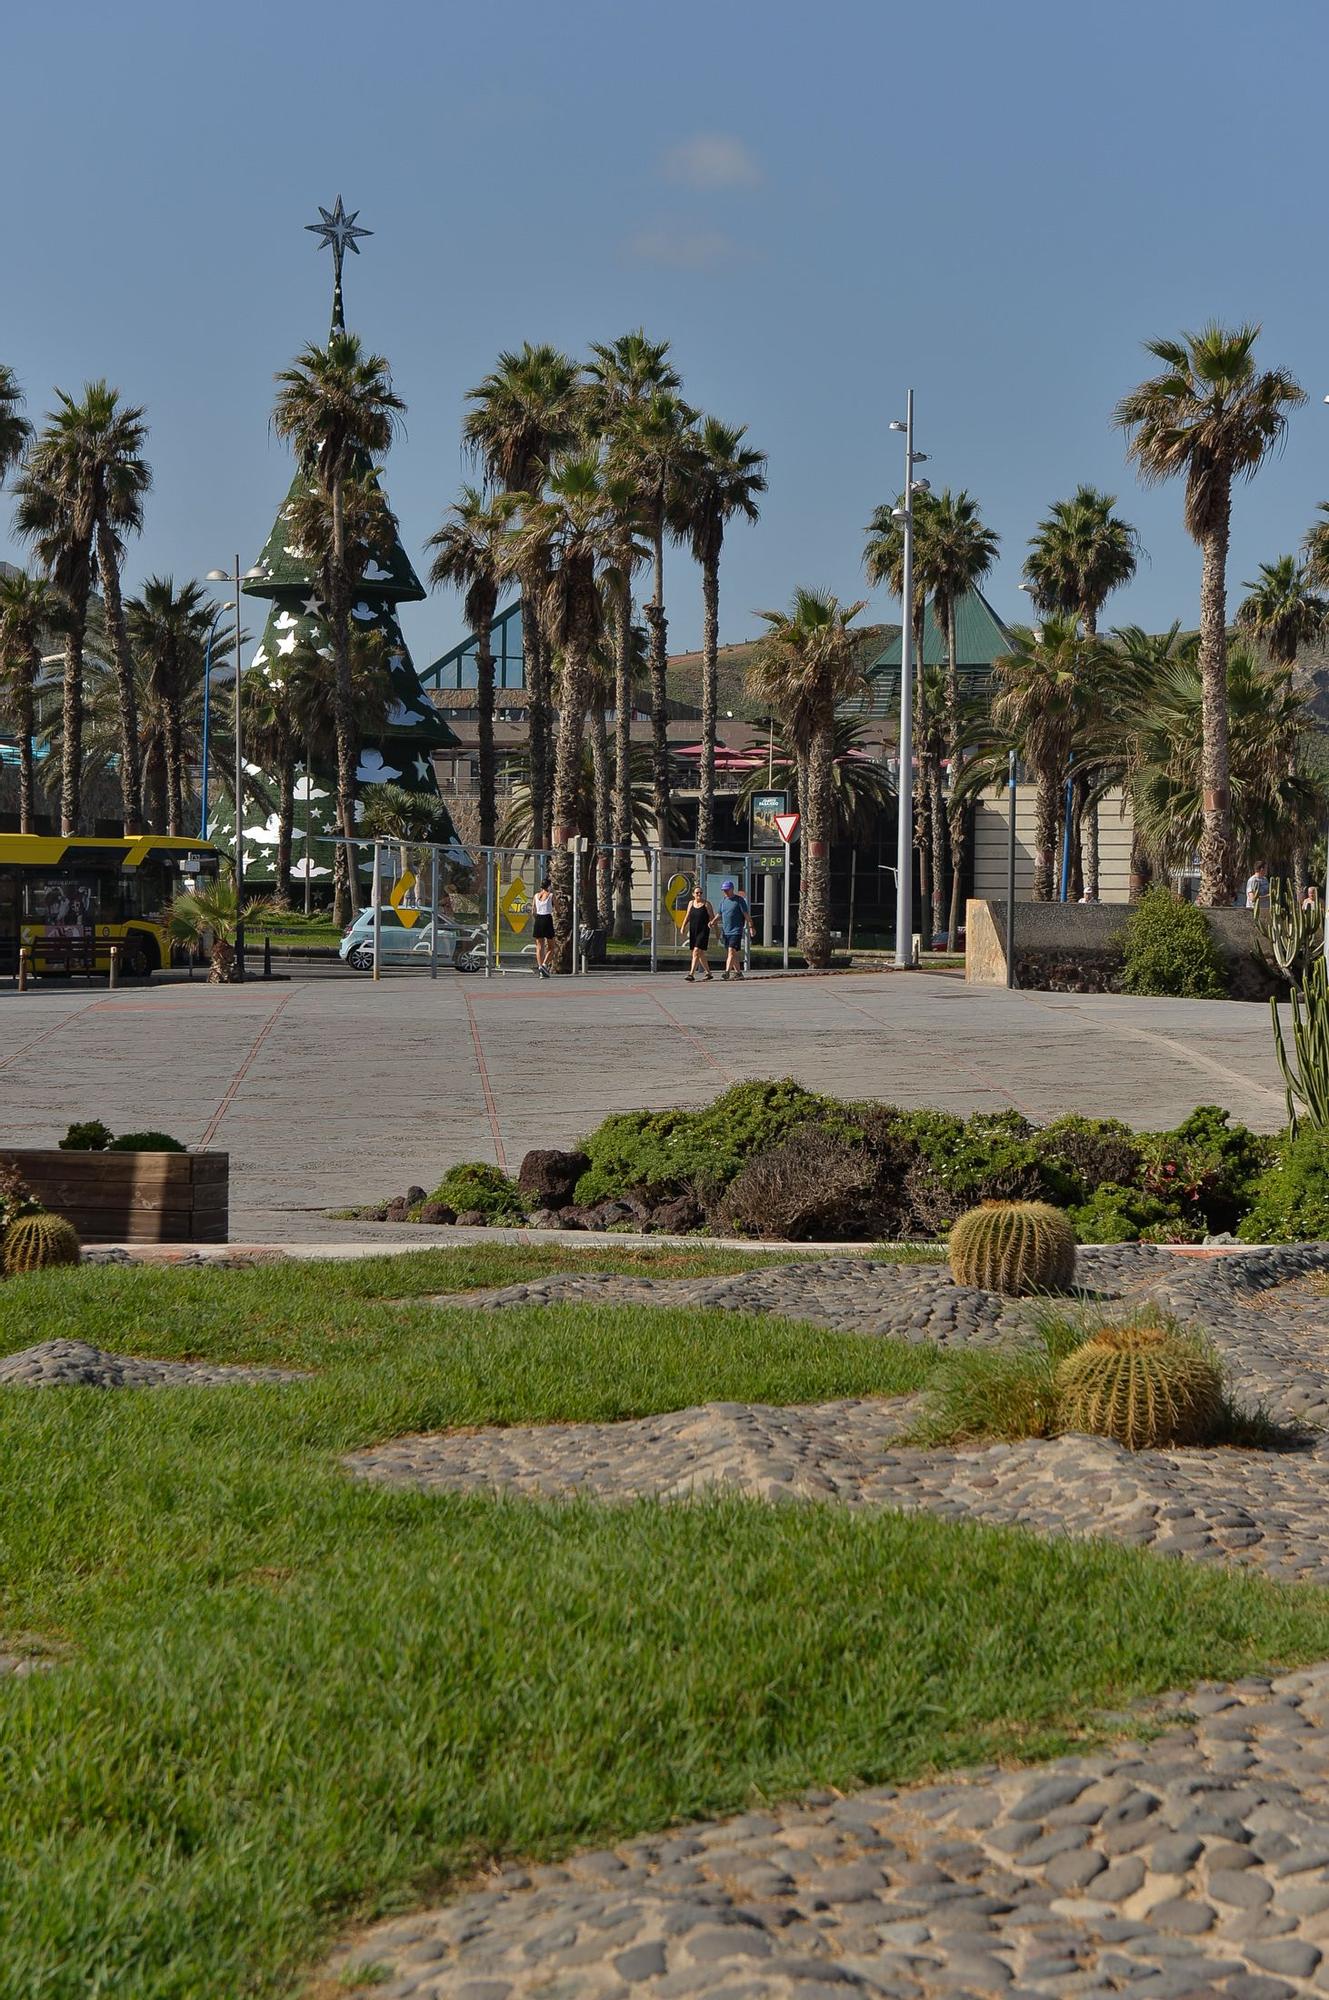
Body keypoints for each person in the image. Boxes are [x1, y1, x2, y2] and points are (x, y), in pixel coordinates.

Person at [718, 878, 753, 980]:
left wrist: (751, 926)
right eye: (724, 890)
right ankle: (738, 972)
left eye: (727, 890)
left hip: (736, 930)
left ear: (732, 889)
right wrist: (713, 921)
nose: (725, 892)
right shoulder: (723, 901)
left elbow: (746, 914)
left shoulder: (739, 900)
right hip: (726, 931)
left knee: (731, 951)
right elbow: (719, 914)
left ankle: (727, 972)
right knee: (733, 953)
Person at [684, 884, 714, 982]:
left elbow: (712, 918)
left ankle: (691, 973)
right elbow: (688, 915)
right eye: (697, 893)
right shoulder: (690, 903)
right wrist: (683, 926)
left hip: (704, 930)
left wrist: (717, 930)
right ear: (693, 894)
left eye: (701, 893)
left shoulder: (706, 904)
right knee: (699, 953)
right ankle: (708, 973)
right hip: (694, 930)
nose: (699, 895)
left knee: (696, 951)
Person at [531, 878, 555, 978]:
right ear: (549, 886)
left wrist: (536, 919)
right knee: (551, 947)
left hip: (538, 920)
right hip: (547, 919)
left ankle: (540, 966)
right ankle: (544, 964)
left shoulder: (536, 896)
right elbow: (557, 909)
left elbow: (533, 911)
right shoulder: (551, 895)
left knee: (539, 946)